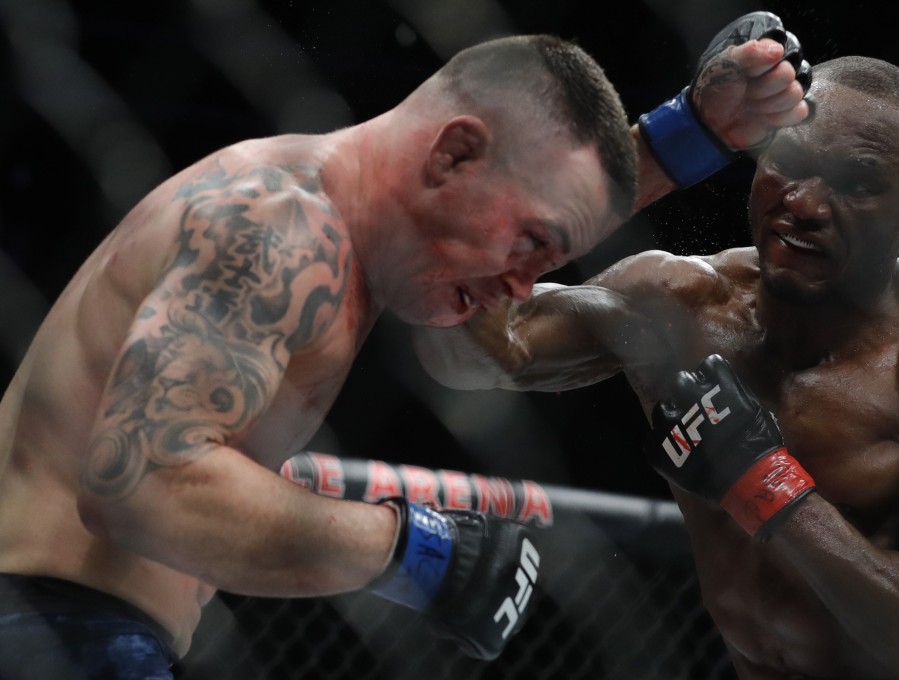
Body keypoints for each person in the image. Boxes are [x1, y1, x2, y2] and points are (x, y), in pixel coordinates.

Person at [0, 17, 812, 679]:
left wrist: (689, 137)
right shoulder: (278, 225)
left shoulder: (358, 238)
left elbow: (536, 189)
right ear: (452, 153)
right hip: (48, 631)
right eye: (530, 244)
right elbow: (138, 483)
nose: (527, 286)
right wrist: (414, 550)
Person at [414, 54, 899, 679]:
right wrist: (498, 217)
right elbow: (459, 354)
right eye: (792, 162)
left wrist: (763, 481)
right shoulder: (676, 305)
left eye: (856, 183)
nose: (806, 203)